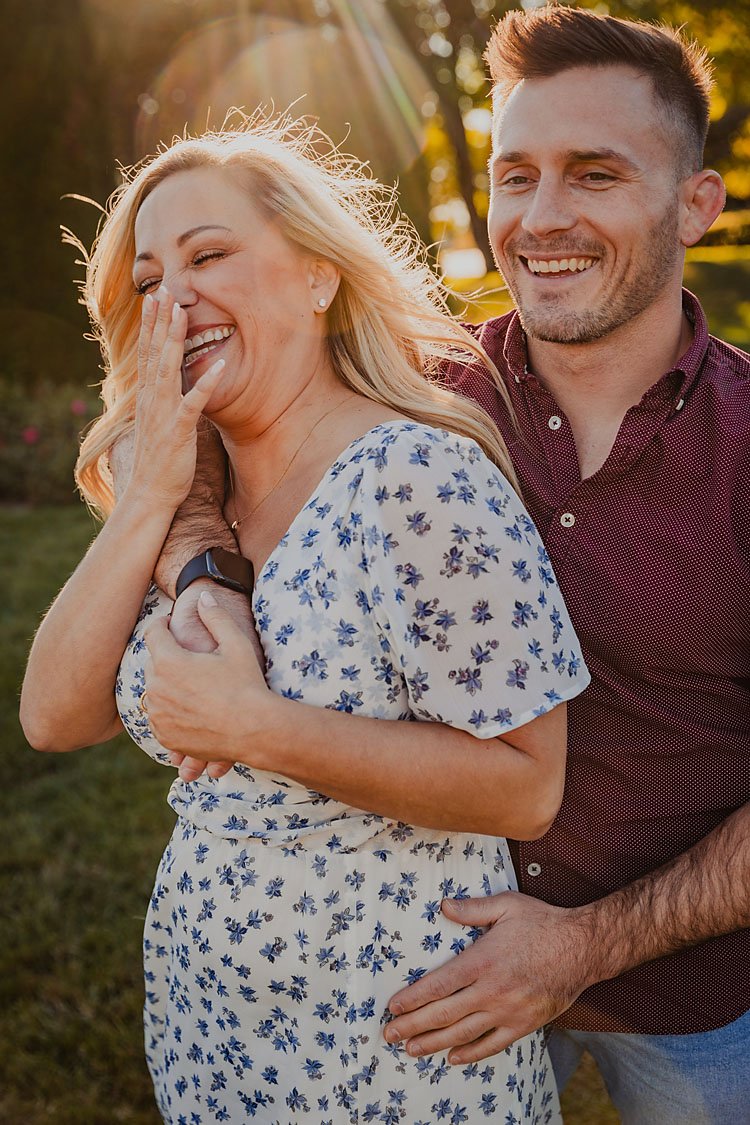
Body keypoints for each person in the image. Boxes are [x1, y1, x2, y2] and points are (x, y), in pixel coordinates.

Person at [108, 7, 750, 1124]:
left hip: (687, 991)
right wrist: (208, 568)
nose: (541, 218)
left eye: (596, 175)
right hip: (422, 970)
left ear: (698, 203)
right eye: (516, 176)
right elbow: (183, 435)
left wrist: (585, 944)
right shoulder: (413, 390)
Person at [20, 113, 590, 1123]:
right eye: (148, 280)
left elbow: (526, 786)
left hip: (392, 1050)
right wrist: (148, 497)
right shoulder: (188, 496)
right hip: (212, 1030)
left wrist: (255, 727)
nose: (173, 296)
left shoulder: (416, 476)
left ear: (319, 276)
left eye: (209, 256)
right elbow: (53, 718)